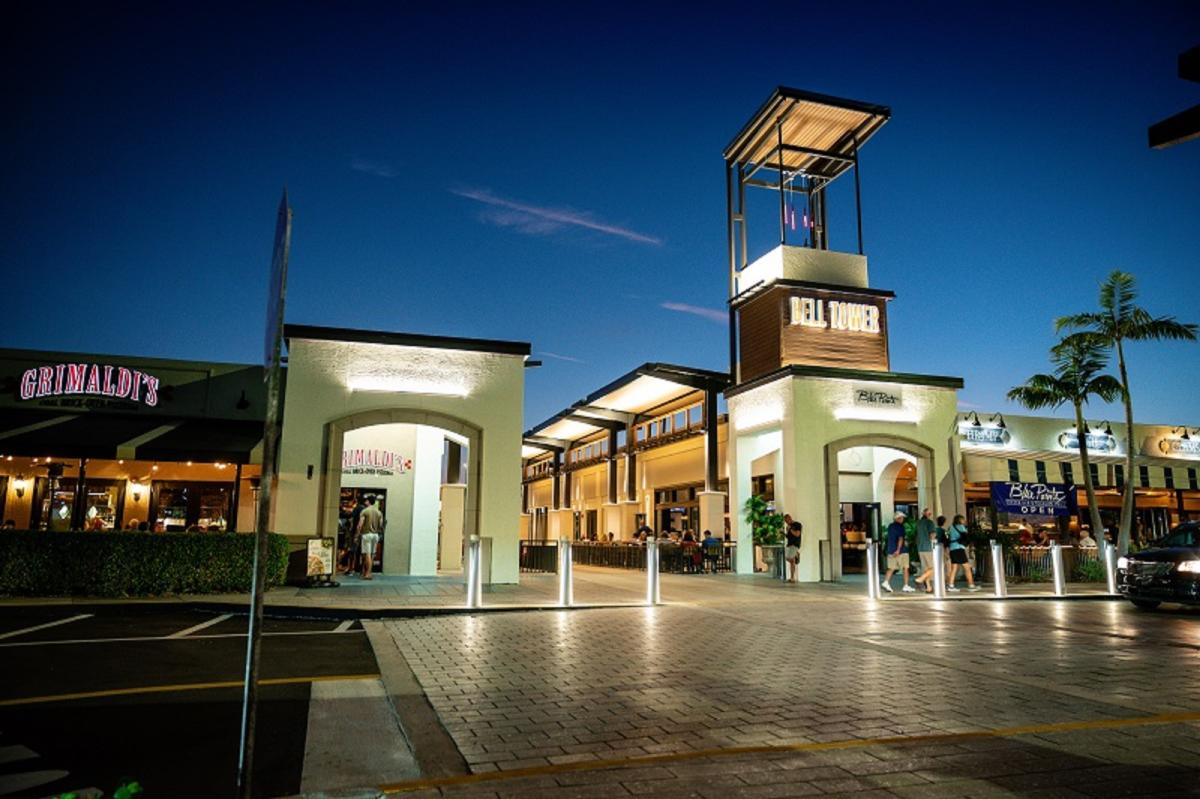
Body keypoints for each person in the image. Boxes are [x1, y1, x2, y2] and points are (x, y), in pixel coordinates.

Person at [881, 513, 914, 593]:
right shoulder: (900, 527)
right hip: (901, 551)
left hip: (891, 550)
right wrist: (898, 550)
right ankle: (906, 585)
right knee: (905, 567)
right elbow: (900, 538)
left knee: (891, 568)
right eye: (902, 518)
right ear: (898, 518)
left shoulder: (890, 526)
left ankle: (886, 582)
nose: (903, 520)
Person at [946, 514, 979, 591]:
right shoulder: (961, 527)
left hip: (952, 549)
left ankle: (950, 585)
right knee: (967, 567)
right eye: (963, 519)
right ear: (960, 520)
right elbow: (966, 536)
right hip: (959, 549)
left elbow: (948, 537)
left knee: (954, 568)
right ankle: (971, 585)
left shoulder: (950, 527)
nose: (964, 521)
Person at [357, 494, 384, 580]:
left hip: (366, 534)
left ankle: (367, 574)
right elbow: (381, 525)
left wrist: (357, 534)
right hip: (375, 535)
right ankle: (369, 572)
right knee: (372, 554)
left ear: (368, 502)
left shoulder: (365, 511)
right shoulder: (379, 512)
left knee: (367, 554)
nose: (365, 502)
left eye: (366, 500)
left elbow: (360, 524)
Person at [913, 509, 936, 592]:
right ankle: (920, 579)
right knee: (934, 567)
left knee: (926, 568)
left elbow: (915, 536)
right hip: (928, 548)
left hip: (920, 548)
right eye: (929, 513)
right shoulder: (930, 523)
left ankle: (928, 587)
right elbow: (932, 535)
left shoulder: (918, 523)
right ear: (928, 514)